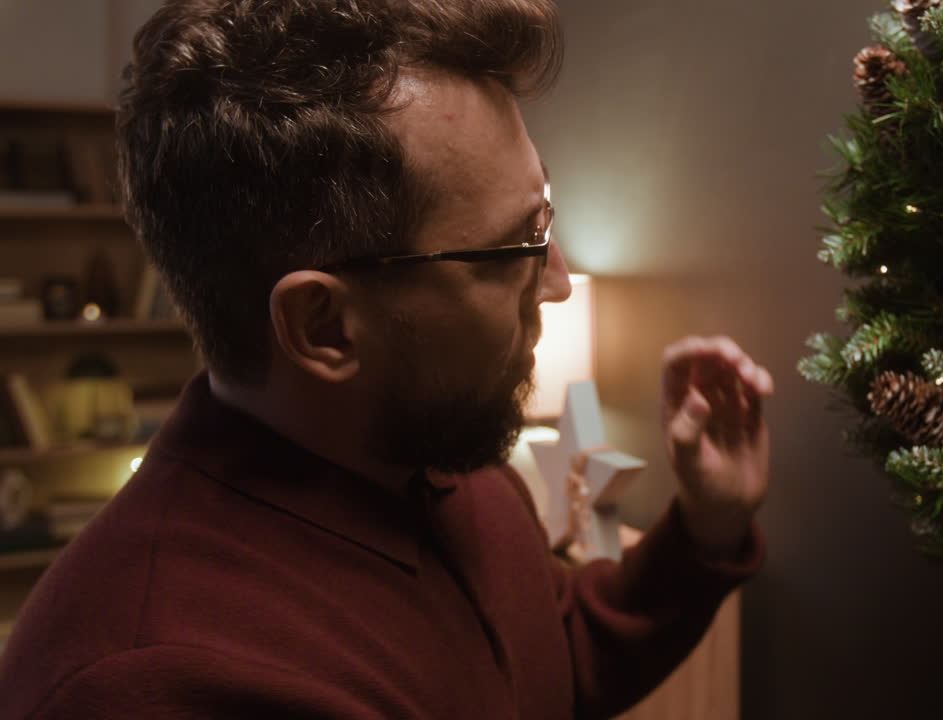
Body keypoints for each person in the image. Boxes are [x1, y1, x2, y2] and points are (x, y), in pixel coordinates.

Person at [0, 1, 773, 718]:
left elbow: (549, 659)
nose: (561, 283)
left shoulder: (437, 451)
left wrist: (704, 531)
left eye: (546, 220)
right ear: (326, 327)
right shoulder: (160, 681)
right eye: (516, 249)